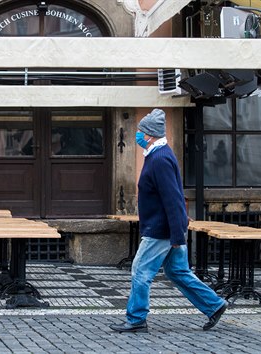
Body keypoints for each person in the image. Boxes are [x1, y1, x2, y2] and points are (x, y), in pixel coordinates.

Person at [109, 109, 227, 333]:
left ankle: (136, 319)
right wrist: (180, 223)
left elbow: (171, 198)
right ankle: (214, 305)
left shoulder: (159, 159)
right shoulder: (159, 155)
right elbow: (174, 195)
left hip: (161, 230)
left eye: (141, 131)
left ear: (150, 134)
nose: (138, 135)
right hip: (168, 227)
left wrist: (176, 234)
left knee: (140, 270)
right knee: (177, 272)